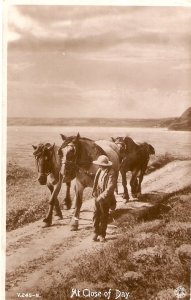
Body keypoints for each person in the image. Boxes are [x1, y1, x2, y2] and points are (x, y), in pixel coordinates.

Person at [92, 155, 117, 242]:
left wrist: (102, 196)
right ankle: (95, 232)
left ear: (106, 165)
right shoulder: (100, 170)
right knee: (95, 214)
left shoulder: (112, 173)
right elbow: (96, 181)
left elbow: (111, 187)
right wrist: (95, 192)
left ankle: (102, 234)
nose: (99, 166)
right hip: (97, 195)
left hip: (106, 198)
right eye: (99, 165)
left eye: (101, 165)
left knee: (103, 216)